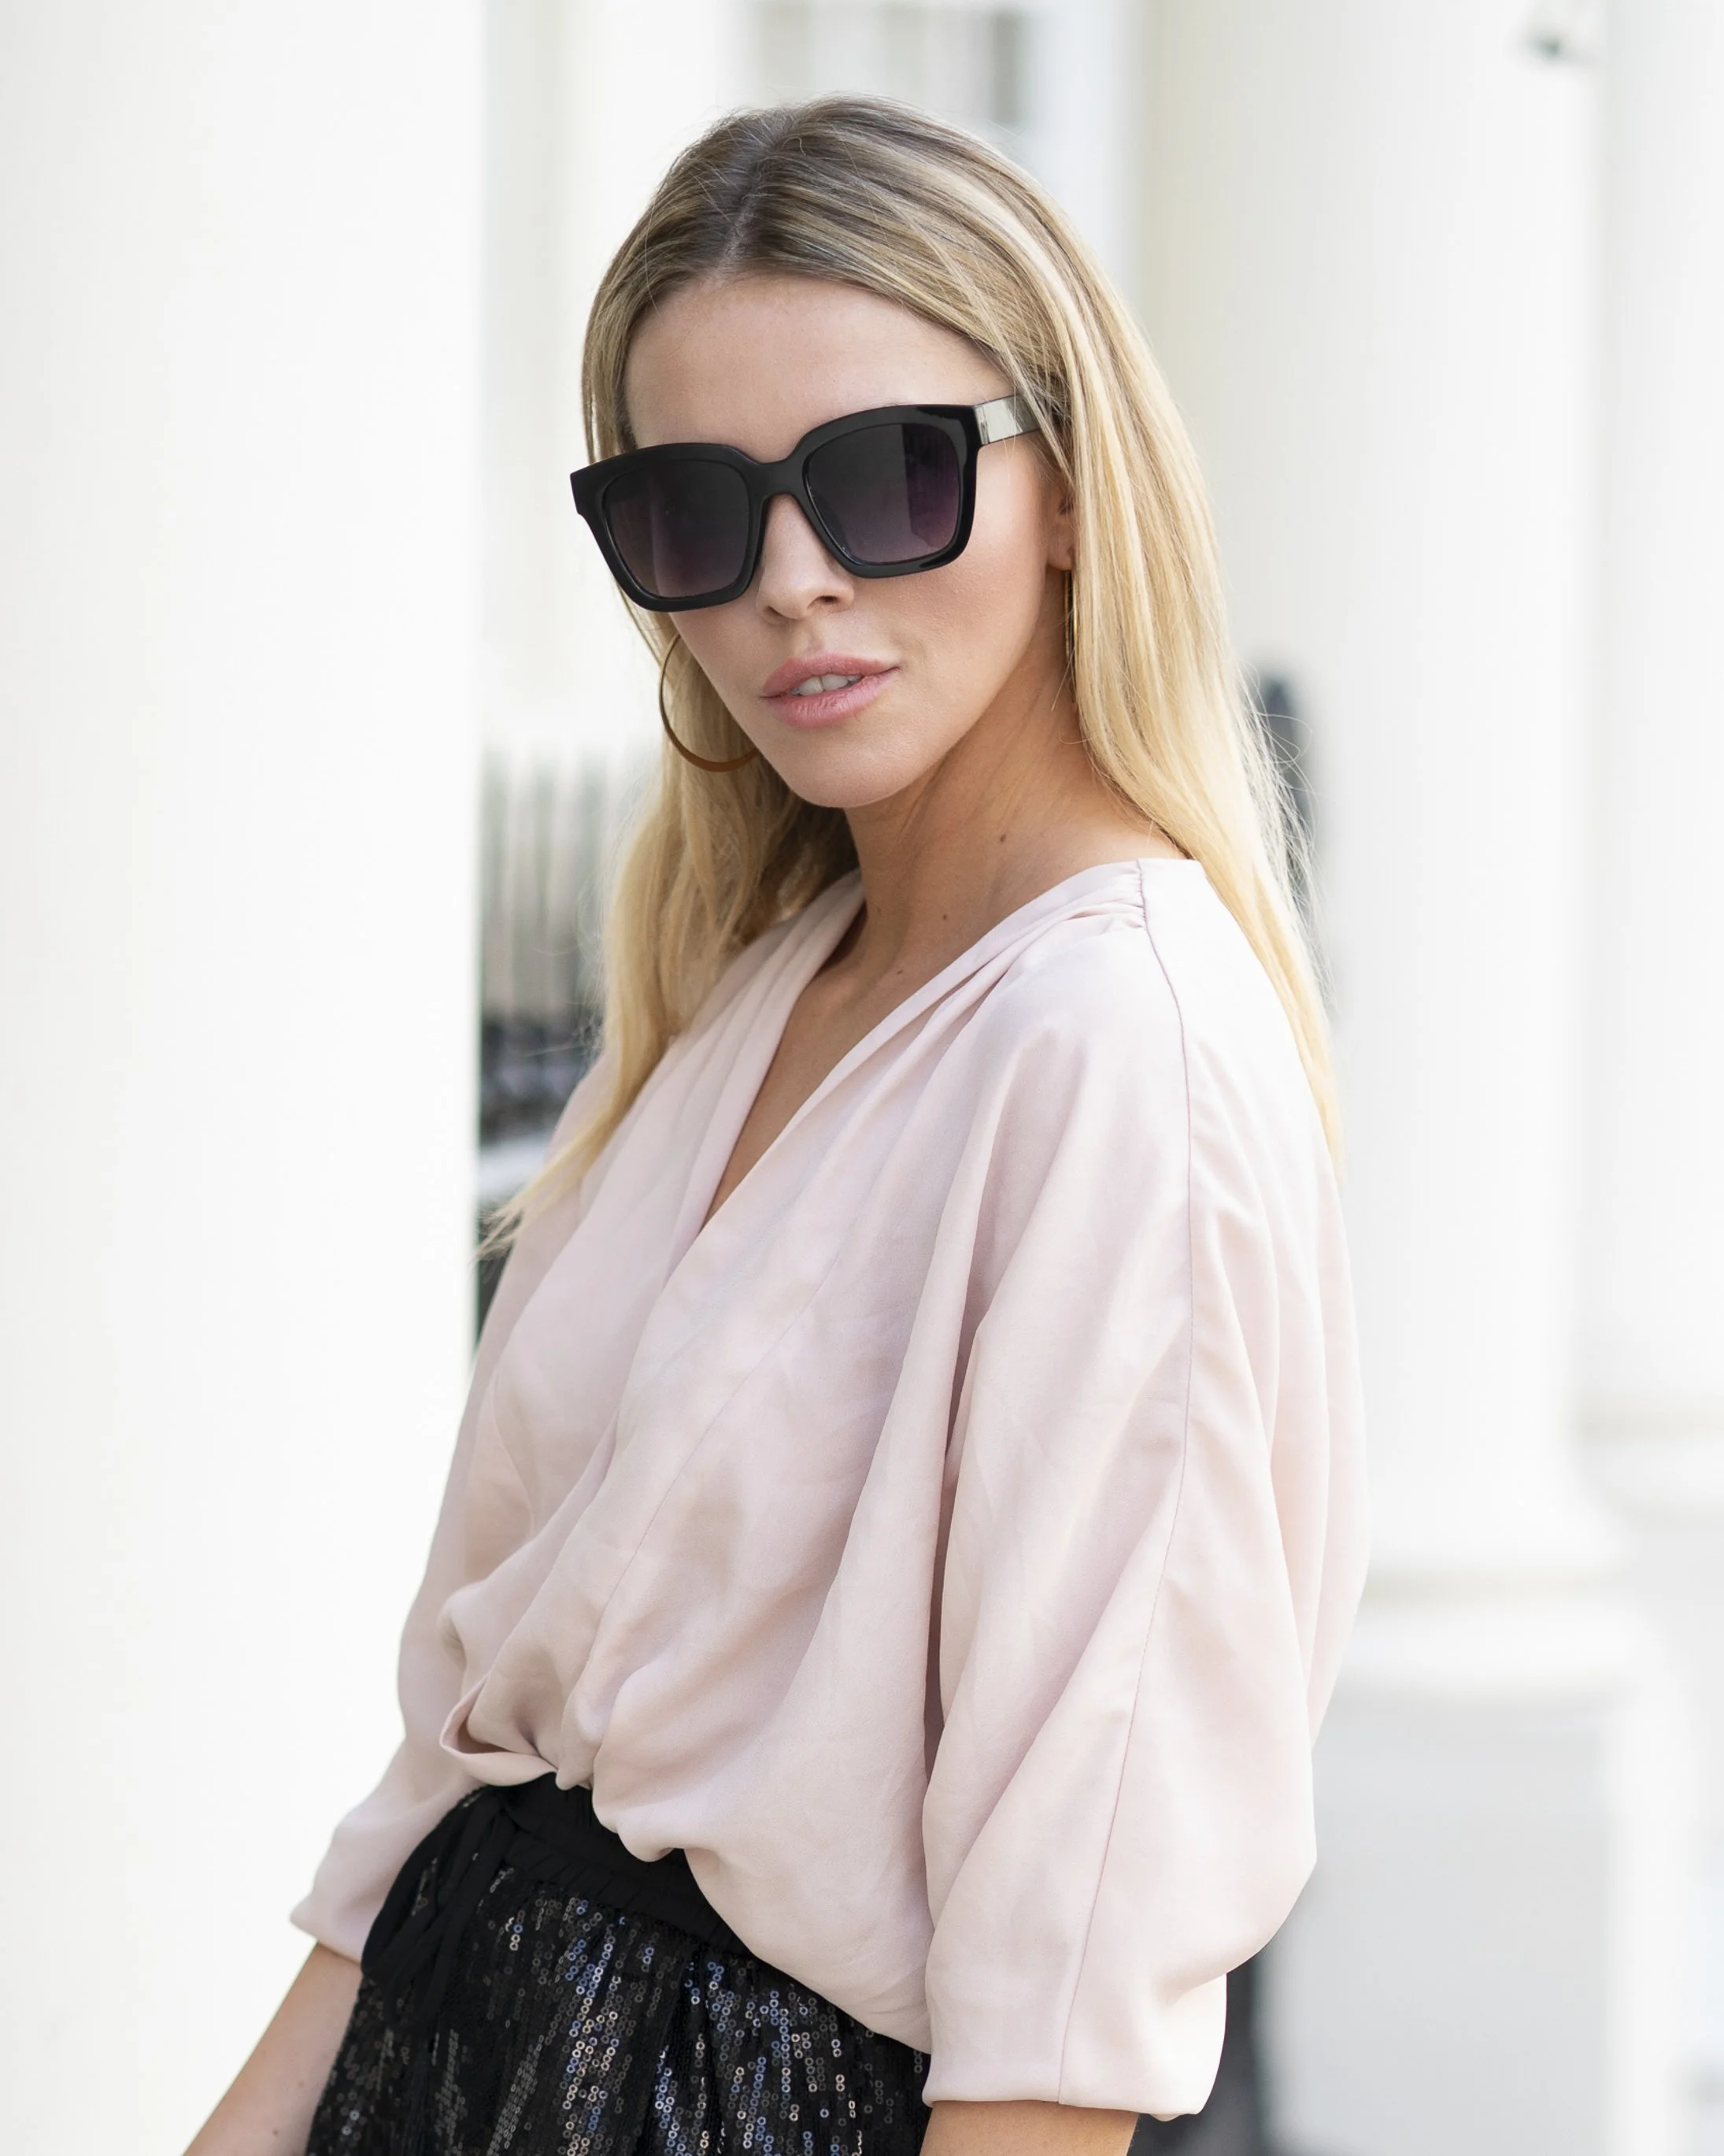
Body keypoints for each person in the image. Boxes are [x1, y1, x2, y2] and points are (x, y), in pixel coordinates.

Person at [187, 94, 1367, 2156]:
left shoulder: (1112, 1050)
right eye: (694, 515)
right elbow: (445, 1779)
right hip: (451, 2064)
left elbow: (1062, 2005)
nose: (791, 588)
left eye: (885, 478)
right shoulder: (765, 986)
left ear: (1069, 489)